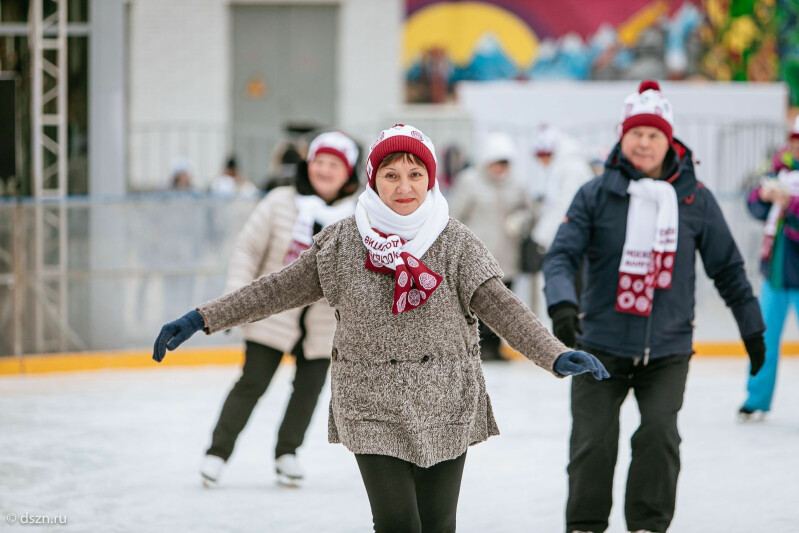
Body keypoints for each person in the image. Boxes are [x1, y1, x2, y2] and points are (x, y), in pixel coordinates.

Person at [154, 124, 609, 533]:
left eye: (415, 173)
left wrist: (551, 352)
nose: (404, 186)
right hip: (370, 399)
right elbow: (274, 290)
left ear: (431, 178)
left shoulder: (456, 243)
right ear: (373, 179)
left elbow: (503, 308)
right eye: (391, 174)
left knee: (438, 525)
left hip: (445, 398)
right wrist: (201, 318)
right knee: (397, 524)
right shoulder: (342, 243)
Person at [543, 81, 766, 533]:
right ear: (622, 138)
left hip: (666, 348)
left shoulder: (694, 199)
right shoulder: (596, 193)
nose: (643, 143)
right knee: (593, 442)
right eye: (635, 134)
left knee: (659, 436)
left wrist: (752, 329)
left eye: (653, 134)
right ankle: (585, 525)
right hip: (599, 346)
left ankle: (647, 525)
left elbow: (728, 269)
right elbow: (561, 256)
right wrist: (562, 304)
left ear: (670, 141)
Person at [199, 131, 361, 488]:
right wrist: (232, 303)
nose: (325, 170)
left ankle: (287, 452)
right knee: (252, 383)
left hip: (323, 321)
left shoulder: (358, 216)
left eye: (334, 164)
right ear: (308, 164)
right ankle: (217, 452)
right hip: (272, 314)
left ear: (348, 172)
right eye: (319, 162)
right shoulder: (280, 201)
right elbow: (247, 250)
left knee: (309, 388)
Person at [449, 132, 533, 360]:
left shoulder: (517, 184)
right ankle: (478, 348)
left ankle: (495, 349)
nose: (500, 168)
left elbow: (531, 211)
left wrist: (520, 220)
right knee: (478, 304)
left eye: (505, 163)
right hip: (477, 258)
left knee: (503, 305)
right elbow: (454, 215)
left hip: (507, 257)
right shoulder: (470, 182)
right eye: (496, 162)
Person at [740, 117, 799, 420]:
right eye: (794, 137)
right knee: (763, 338)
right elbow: (752, 202)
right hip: (777, 273)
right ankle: (756, 399)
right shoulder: (778, 166)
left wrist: (791, 205)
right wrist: (762, 195)